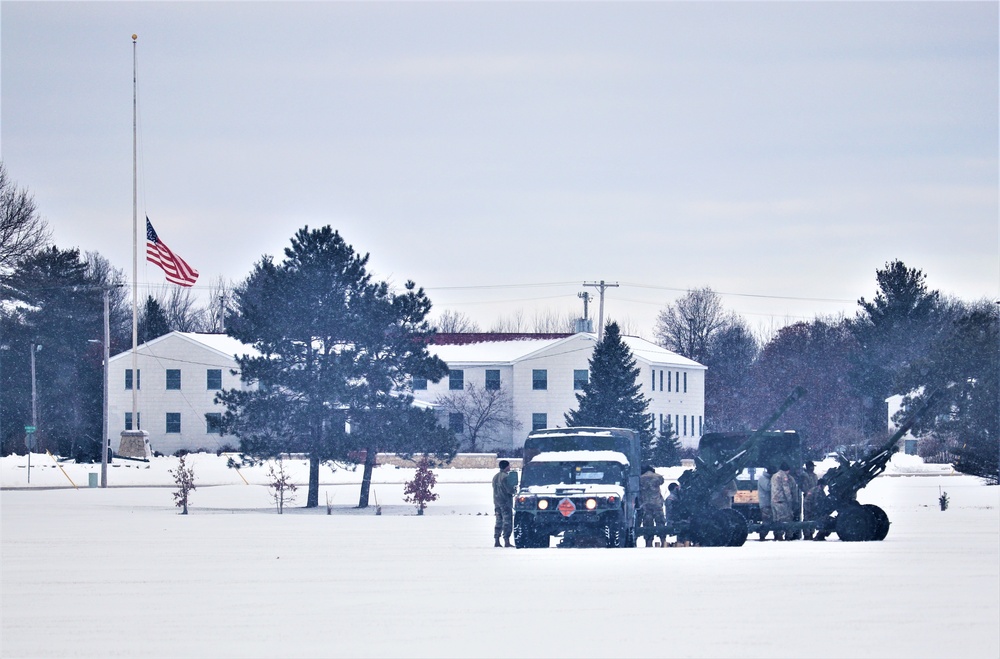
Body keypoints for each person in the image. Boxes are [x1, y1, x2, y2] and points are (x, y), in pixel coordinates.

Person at [770, 462, 799, 540]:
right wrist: (790, 500)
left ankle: (776, 534)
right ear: (787, 470)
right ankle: (783, 536)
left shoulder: (774, 476)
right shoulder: (783, 476)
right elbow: (786, 489)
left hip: (774, 500)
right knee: (785, 519)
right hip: (781, 501)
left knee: (776, 519)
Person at [639, 465, 667, 547]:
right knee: (660, 522)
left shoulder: (640, 478)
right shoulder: (658, 477)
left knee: (648, 523)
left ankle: (648, 542)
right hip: (657, 504)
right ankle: (663, 541)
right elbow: (662, 481)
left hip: (645, 505)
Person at [492, 460, 517, 547]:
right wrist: (514, 490)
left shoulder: (495, 477)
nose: (510, 467)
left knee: (498, 521)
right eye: (509, 466)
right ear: (506, 467)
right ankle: (506, 540)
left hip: (497, 502)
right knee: (507, 522)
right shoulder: (506, 477)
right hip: (505, 502)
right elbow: (509, 490)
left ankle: (497, 540)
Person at [798, 461, 819, 539]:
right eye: (811, 467)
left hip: (815, 498)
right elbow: (804, 487)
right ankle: (807, 534)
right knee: (807, 515)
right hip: (808, 497)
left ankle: (811, 532)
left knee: (813, 515)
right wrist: (809, 493)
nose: (813, 468)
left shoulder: (814, 476)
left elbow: (816, 486)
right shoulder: (804, 476)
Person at [757, 466, 775, 541]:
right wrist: (773, 481)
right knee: (766, 521)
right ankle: (762, 535)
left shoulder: (767, 478)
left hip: (771, 503)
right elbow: (768, 487)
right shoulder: (762, 478)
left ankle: (776, 535)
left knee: (774, 520)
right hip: (765, 503)